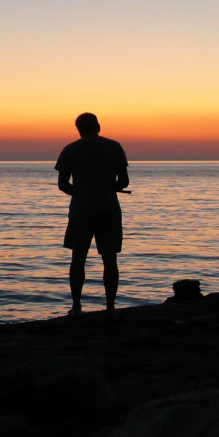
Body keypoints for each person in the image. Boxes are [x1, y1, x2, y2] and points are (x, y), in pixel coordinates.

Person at [55, 112, 129, 318]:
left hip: (80, 211)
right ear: (98, 126)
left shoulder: (70, 150)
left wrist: (80, 192)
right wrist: (107, 187)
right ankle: (111, 307)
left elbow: (62, 185)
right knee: (110, 259)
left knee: (78, 258)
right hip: (109, 210)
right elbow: (124, 181)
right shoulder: (114, 147)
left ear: (78, 129)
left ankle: (77, 306)